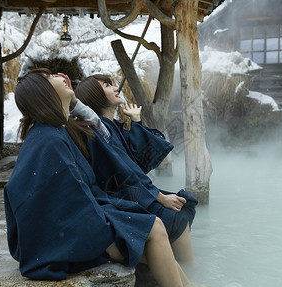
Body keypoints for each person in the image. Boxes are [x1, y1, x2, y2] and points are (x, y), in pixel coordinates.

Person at [3, 68, 189, 287]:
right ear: (42, 93)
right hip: (60, 234)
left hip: (77, 219)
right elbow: (51, 199)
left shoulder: (59, 130)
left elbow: (101, 138)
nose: (61, 75)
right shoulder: (47, 141)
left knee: (150, 228)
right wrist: (108, 232)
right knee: (153, 228)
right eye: (51, 77)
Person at [73, 74, 197, 262]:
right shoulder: (97, 129)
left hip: (126, 189)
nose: (115, 88)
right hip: (116, 195)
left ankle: (184, 268)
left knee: (181, 205)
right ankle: (188, 269)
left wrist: (136, 120)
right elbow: (125, 168)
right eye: (107, 85)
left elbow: (136, 157)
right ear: (94, 95)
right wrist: (159, 197)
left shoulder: (110, 126)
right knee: (175, 216)